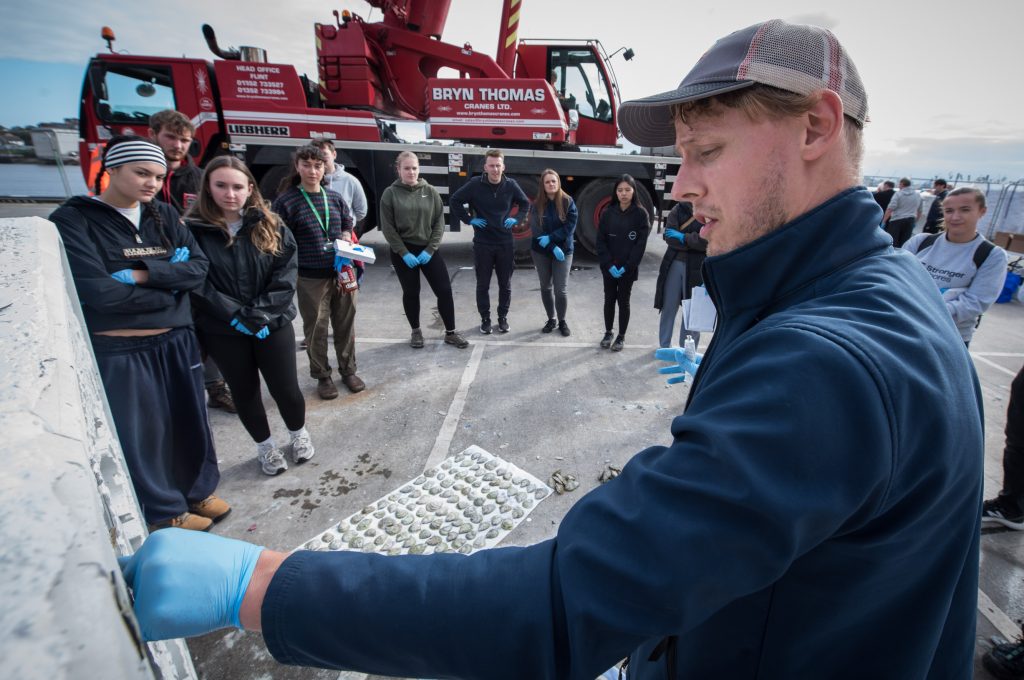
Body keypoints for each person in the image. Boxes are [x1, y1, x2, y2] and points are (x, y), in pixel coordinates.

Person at [120, 20, 984, 679]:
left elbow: (561, 606)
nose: (679, 186)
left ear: (815, 127)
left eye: (707, 151)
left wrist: (267, 587)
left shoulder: (824, 362)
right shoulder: (879, 288)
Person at [50, 136, 228, 532]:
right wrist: (170, 285)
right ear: (112, 170)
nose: (151, 183)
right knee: (145, 431)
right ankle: (164, 509)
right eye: (141, 173)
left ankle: (197, 489)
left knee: (191, 420)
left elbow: (199, 271)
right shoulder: (73, 220)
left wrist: (144, 275)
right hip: (122, 347)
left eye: (158, 176)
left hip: (176, 340)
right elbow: (98, 293)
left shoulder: (162, 215)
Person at [185, 156, 313, 477]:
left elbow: (286, 274)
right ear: (208, 188)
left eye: (237, 186)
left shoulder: (271, 224)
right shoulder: (193, 231)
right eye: (221, 186)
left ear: (250, 189)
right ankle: (265, 447)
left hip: (272, 324)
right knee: (245, 393)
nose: (230, 193)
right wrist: (234, 316)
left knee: (286, 389)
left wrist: (259, 315)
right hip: (225, 330)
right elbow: (197, 282)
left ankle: (298, 434)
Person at [148, 108, 236, 414]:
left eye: (184, 140)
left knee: (208, 330)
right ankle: (173, 393)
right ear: (154, 134)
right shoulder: (144, 181)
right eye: (171, 137)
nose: (178, 145)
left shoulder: (199, 179)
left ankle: (216, 388)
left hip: (195, 269)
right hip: (155, 271)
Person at [272, 145, 365, 399]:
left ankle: (349, 370)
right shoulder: (287, 201)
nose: (313, 171)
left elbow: (347, 220)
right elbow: (278, 240)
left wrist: (346, 233)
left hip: (343, 271)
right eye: (307, 165)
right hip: (311, 276)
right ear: (298, 167)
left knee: (346, 323)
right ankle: (323, 375)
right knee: (317, 328)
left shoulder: (332, 196)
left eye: (318, 165)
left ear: (325, 167)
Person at [378, 150, 469, 350]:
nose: (411, 172)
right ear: (398, 170)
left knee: (444, 290)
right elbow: (388, 228)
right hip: (404, 251)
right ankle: (416, 331)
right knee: (411, 292)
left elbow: (439, 222)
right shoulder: (390, 194)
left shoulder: (430, 191)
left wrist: (430, 249)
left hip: (428, 250)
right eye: (407, 168)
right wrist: (403, 253)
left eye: (414, 168)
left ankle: (451, 333)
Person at [903, 187, 1007, 346]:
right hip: (906, 329)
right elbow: (897, 279)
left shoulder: (991, 255)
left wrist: (923, 310)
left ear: (982, 211)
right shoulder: (920, 242)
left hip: (950, 338)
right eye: (949, 210)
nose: (955, 217)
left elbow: (976, 302)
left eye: (965, 210)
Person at [449, 149, 530, 335]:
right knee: (483, 284)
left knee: (505, 284)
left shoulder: (511, 185)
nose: (495, 169)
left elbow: (525, 203)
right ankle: (485, 319)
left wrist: (517, 219)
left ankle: (502, 317)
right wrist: (469, 220)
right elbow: (455, 201)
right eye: (491, 165)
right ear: (485, 167)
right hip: (483, 243)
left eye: (498, 165)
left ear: (503, 167)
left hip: (505, 243)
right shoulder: (475, 184)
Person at [595, 173, 650, 351]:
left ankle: (621, 336)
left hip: (628, 268)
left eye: (627, 190)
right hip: (609, 268)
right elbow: (601, 241)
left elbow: (639, 246)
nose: (624, 193)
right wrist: (609, 265)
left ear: (634, 191)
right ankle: (608, 332)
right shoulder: (608, 213)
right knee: (609, 299)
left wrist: (627, 267)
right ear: (615, 193)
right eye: (620, 190)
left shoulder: (641, 215)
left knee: (623, 301)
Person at [528, 168, 577, 336]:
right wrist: (550, 246)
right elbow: (536, 230)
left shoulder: (567, 201)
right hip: (541, 251)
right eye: (547, 182)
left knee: (560, 290)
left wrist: (554, 240)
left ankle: (562, 321)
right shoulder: (536, 205)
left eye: (553, 181)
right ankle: (551, 319)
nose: (550, 184)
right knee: (545, 287)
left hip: (564, 250)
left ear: (558, 183)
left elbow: (570, 227)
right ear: (543, 185)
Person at [654, 200, 706, 349]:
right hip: (674, 263)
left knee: (692, 310)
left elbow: (709, 240)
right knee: (668, 306)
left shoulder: (708, 210)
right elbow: (670, 238)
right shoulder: (677, 209)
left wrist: (684, 237)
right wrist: (694, 241)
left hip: (698, 266)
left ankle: (687, 350)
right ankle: (664, 346)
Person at [310, 138, 368, 234]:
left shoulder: (351, 181)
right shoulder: (310, 181)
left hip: (344, 234)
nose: (321, 159)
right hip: (316, 234)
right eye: (317, 155)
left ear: (334, 154)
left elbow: (361, 212)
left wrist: (346, 224)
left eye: (324, 154)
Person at [882, 177, 922, 247]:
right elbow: (919, 211)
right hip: (910, 220)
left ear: (902, 184)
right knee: (904, 243)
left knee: (893, 243)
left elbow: (890, 208)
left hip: (896, 220)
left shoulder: (898, 194)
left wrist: (884, 221)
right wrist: (915, 222)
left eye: (899, 184)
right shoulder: (917, 195)